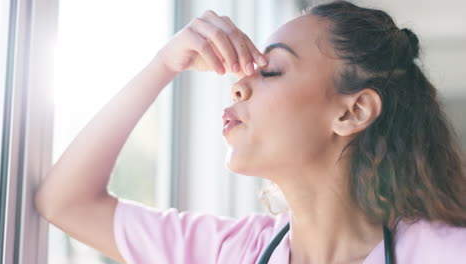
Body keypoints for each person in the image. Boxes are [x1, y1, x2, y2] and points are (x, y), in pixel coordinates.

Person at [35, 1, 466, 263]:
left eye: (272, 71)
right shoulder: (230, 252)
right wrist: (163, 65)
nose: (239, 83)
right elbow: (65, 202)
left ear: (353, 111)